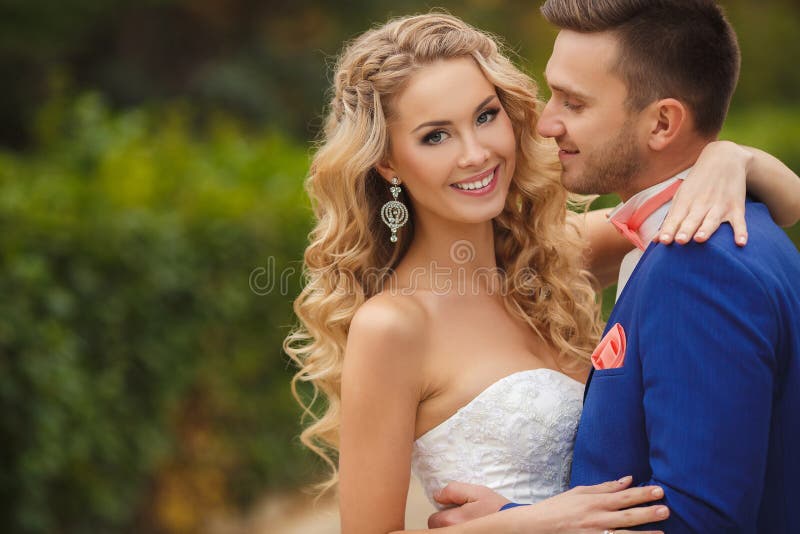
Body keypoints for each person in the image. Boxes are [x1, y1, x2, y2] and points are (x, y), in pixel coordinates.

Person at [283, 11, 800, 534]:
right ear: (389, 163)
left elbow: (705, 202)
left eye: (485, 116)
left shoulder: (555, 256)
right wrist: (523, 524)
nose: (476, 153)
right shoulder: (393, 325)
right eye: (436, 136)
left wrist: (732, 159)